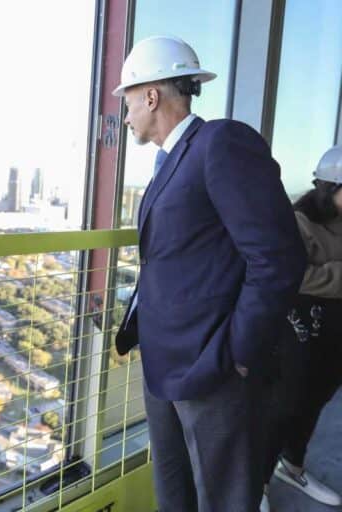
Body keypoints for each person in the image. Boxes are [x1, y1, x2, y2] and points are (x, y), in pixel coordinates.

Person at [113, 36, 307, 511]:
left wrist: (238, 352)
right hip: (163, 362)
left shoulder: (220, 143)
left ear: (152, 96)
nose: (125, 114)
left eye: (128, 100)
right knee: (173, 493)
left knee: (222, 499)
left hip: (211, 368)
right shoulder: (167, 165)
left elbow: (278, 256)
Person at [261, 145, 342, 512]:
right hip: (301, 330)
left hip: (335, 332)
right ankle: (256, 480)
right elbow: (291, 277)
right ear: (331, 187)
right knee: (286, 403)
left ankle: (292, 466)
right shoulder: (298, 221)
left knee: (317, 399)